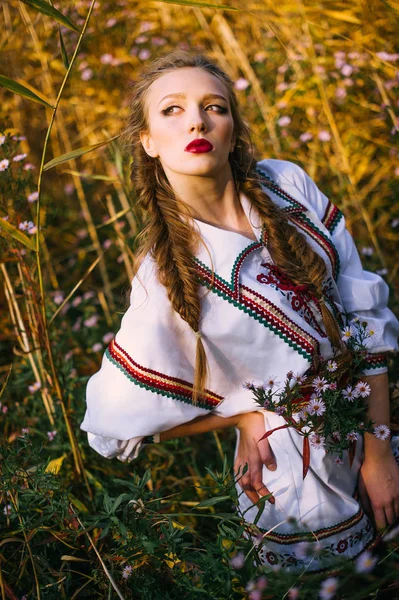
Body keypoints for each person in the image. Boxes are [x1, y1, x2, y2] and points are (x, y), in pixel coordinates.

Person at [80, 50, 399, 571]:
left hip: (377, 427)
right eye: (172, 110)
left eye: (214, 107)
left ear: (233, 127)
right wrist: (243, 414)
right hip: (297, 487)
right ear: (147, 142)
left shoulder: (287, 186)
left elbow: (366, 316)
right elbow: (109, 429)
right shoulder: (164, 274)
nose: (197, 121)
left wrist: (379, 449)